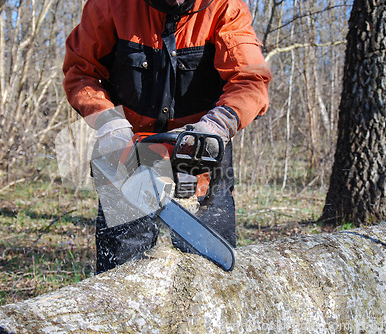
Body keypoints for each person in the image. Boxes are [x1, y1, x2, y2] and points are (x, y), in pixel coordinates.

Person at [63, 0, 272, 273]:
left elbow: (249, 79)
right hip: (131, 150)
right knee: (120, 270)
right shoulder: (111, 5)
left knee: (209, 269)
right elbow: (81, 70)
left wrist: (218, 124)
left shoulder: (225, 7)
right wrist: (108, 122)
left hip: (199, 153)